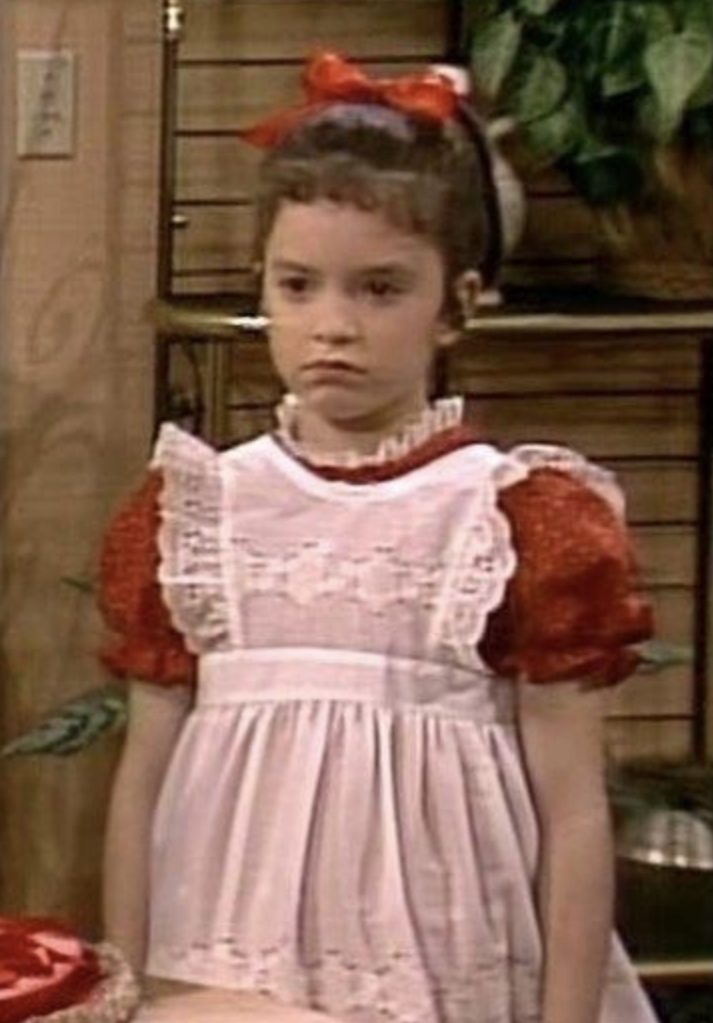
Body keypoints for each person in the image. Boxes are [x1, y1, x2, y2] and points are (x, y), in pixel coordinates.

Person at [99, 51, 657, 1022]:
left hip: (443, 961)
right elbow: (143, 779)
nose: (333, 326)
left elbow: (571, 811)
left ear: (461, 303)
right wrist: (133, 992)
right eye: (300, 285)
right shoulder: (198, 513)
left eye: (380, 289)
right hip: (229, 960)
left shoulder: (515, 518)